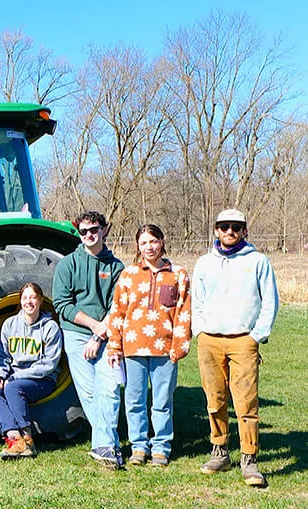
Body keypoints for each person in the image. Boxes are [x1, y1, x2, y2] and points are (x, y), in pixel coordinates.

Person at [192, 208, 279, 487]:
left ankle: (249, 458)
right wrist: (200, 332)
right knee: (215, 400)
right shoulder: (204, 263)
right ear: (216, 230)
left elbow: (270, 301)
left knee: (245, 402)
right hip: (210, 340)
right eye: (224, 227)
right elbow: (197, 301)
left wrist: (257, 336)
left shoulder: (258, 261)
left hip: (244, 340)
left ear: (244, 231)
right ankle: (220, 451)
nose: (230, 232)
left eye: (236, 227)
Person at [105, 225, 191, 467]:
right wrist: (114, 346)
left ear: (162, 242)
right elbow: (118, 312)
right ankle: (139, 447)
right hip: (133, 348)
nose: (149, 247)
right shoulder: (129, 275)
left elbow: (184, 312)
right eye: (143, 243)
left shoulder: (178, 274)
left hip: (164, 350)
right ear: (138, 247)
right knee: (134, 401)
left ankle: (161, 447)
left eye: (153, 241)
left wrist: (179, 346)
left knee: (162, 401)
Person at [52, 211, 126, 470]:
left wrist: (98, 334)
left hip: (106, 334)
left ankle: (104, 445)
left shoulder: (116, 267)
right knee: (89, 393)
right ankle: (108, 445)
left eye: (93, 230)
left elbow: (117, 306)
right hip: (75, 334)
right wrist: (92, 327)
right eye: (83, 232)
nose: (89, 235)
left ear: (104, 230)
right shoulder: (68, 264)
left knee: (110, 389)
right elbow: (62, 304)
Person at [0, 281, 62, 460]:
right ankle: (15, 439)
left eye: (33, 297)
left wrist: (15, 377)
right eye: (25, 297)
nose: (29, 302)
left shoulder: (50, 328)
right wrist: (0, 376)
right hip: (13, 377)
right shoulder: (10, 325)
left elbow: (49, 364)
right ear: (20, 301)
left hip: (43, 380)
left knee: (12, 388)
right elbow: (3, 356)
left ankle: (28, 438)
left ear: (40, 300)